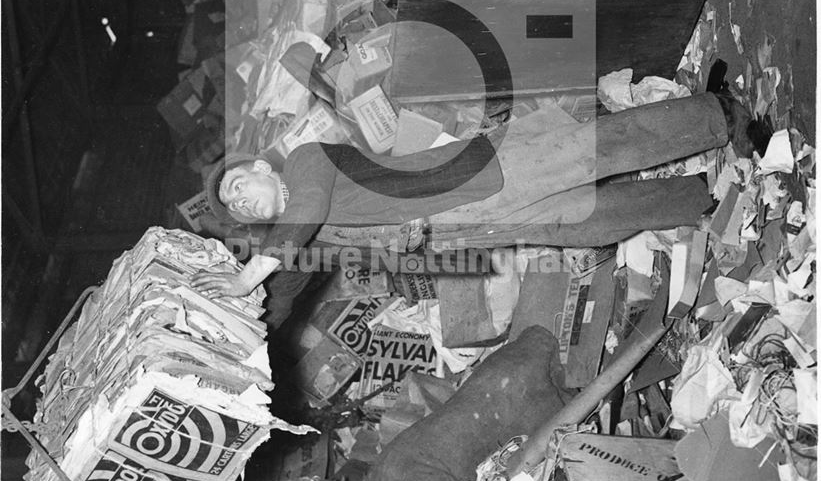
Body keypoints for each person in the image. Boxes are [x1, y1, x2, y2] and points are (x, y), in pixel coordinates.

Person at [192, 91, 764, 326]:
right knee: (589, 221)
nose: (240, 198)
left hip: (468, 182)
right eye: (235, 205)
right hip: (461, 231)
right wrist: (237, 320)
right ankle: (697, 198)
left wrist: (250, 271)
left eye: (238, 183)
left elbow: (306, 212)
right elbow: (285, 291)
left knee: (586, 153)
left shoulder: (306, 161)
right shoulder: (297, 243)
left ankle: (718, 117)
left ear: (261, 168)